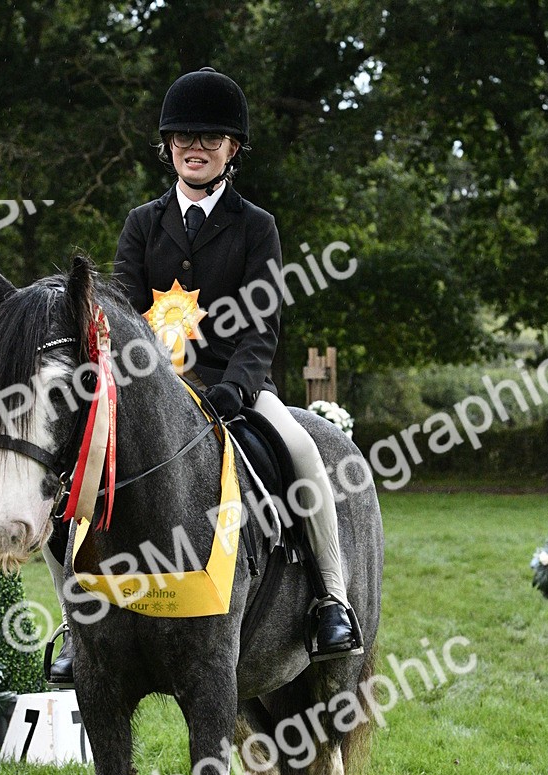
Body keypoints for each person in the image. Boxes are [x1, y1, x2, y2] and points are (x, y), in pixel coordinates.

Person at [111, 66, 363, 662]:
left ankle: (330, 598)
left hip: (235, 386)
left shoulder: (256, 227)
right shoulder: (143, 224)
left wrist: (236, 390)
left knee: (302, 451)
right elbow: (122, 313)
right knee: (89, 460)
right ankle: (78, 620)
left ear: (233, 149)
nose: (195, 147)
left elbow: (261, 324)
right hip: (153, 390)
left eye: (210, 137)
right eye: (183, 137)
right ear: (168, 145)